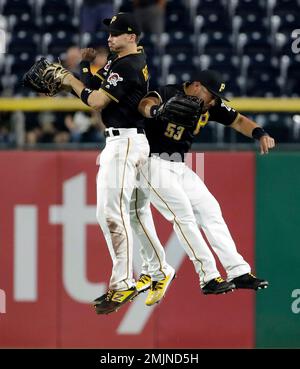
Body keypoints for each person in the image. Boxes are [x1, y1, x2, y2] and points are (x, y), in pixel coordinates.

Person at [62, 12, 175, 314]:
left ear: (132, 37)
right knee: (136, 213)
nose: (109, 38)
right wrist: (86, 68)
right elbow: (103, 91)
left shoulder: (128, 63)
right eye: (109, 33)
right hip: (129, 141)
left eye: (116, 33)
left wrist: (70, 79)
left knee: (110, 213)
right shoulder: (128, 58)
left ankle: (123, 283)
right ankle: (160, 269)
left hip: (124, 143)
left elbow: (97, 102)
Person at [134, 69, 274, 295]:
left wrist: (260, 133)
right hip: (151, 163)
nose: (214, 102)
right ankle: (208, 276)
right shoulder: (170, 92)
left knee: (210, 211)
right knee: (183, 217)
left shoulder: (210, 104)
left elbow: (237, 120)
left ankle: (238, 271)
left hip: (178, 165)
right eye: (212, 96)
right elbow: (145, 103)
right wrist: (156, 110)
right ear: (197, 86)